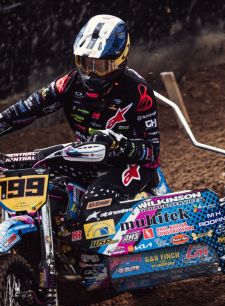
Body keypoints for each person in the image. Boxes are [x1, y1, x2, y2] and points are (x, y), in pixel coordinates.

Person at [0, 14, 168, 215]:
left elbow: (151, 152)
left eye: (100, 66)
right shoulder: (67, 85)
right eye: (86, 63)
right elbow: (23, 110)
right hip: (86, 158)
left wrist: (117, 142)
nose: (91, 73)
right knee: (28, 169)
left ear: (119, 61)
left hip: (129, 165)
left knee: (93, 206)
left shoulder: (138, 90)